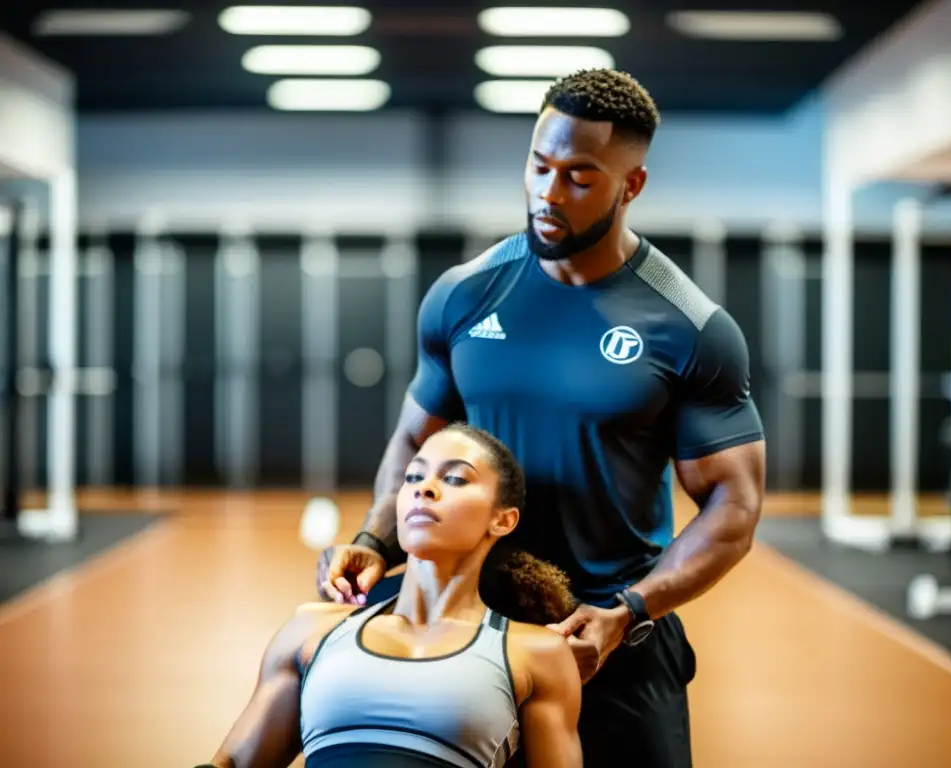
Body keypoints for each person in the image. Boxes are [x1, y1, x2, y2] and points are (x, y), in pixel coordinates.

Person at [318, 68, 766, 767]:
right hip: (472, 630)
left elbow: (734, 505)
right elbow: (415, 441)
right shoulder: (464, 295)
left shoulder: (690, 326)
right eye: (538, 166)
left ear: (632, 186)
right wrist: (376, 541)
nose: (548, 194)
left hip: (610, 635)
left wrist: (633, 609)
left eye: (580, 178)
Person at [201, 424, 584, 768]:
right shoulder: (312, 630)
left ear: (503, 520)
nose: (423, 488)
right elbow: (233, 763)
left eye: (454, 478)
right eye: (413, 476)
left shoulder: (537, 653)